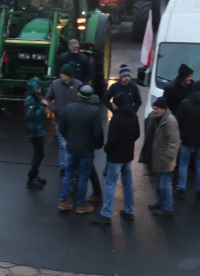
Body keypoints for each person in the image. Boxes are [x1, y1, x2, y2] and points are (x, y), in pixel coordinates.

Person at [91, 100, 140, 225]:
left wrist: (107, 150)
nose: (112, 105)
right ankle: (129, 211)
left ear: (118, 104)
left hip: (115, 157)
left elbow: (112, 140)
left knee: (111, 184)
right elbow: (137, 134)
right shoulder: (134, 116)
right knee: (128, 183)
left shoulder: (116, 118)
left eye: (113, 103)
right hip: (128, 155)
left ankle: (106, 214)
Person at [57, 85, 104, 215]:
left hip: (71, 147)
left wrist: (69, 138)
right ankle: (81, 204)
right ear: (90, 97)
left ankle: (63, 201)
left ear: (79, 95)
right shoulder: (94, 112)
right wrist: (97, 145)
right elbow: (98, 133)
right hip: (86, 149)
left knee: (69, 174)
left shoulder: (68, 108)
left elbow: (62, 128)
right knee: (83, 177)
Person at [174, 81, 200, 199]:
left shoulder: (185, 103)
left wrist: (181, 132)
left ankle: (181, 189)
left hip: (186, 139)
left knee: (183, 164)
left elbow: (178, 120)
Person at [45, 64, 83, 174]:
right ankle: (66, 166)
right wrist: (54, 108)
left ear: (69, 75)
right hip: (60, 120)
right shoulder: (55, 84)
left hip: (74, 121)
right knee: (63, 144)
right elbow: (48, 98)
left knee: (67, 144)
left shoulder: (78, 85)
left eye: (63, 73)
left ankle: (66, 165)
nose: (60, 75)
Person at [146, 97, 180, 216]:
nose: (155, 111)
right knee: (159, 183)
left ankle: (167, 208)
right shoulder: (158, 119)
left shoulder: (170, 121)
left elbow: (174, 142)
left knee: (165, 185)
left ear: (163, 109)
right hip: (159, 158)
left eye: (157, 109)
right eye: (154, 108)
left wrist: (167, 157)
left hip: (165, 160)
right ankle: (160, 203)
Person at [24, 77, 48, 190]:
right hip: (35, 131)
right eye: (39, 88)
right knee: (40, 154)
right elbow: (32, 115)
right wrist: (42, 106)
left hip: (38, 130)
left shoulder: (35, 98)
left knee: (38, 153)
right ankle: (31, 177)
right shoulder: (31, 100)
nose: (40, 90)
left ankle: (34, 175)